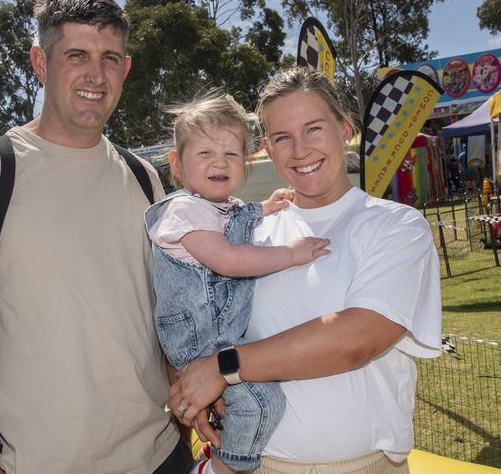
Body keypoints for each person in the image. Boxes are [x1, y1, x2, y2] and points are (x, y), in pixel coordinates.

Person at [0, 0, 188, 473]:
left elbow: (164, 313)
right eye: (77, 55)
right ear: (41, 63)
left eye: (110, 58)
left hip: (159, 455)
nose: (95, 75)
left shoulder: (143, 177)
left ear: (125, 70)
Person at [168, 67, 442, 474]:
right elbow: (191, 309)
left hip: (360, 466)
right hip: (250, 463)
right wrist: (194, 380)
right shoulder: (245, 234)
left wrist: (223, 368)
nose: (299, 150)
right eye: (282, 137)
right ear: (266, 148)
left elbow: (356, 339)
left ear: (345, 128)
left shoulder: (396, 226)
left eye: (313, 129)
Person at [145, 92, 330, 474]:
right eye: (206, 154)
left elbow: (233, 218)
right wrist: (291, 254)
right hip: (197, 339)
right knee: (261, 403)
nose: (219, 163)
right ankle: (226, 467)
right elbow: (227, 260)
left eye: (231, 154)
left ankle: (221, 455)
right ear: (177, 165)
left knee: (249, 401)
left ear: (245, 163)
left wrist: (266, 206)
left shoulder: (221, 207)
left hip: (221, 336)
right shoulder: (181, 211)